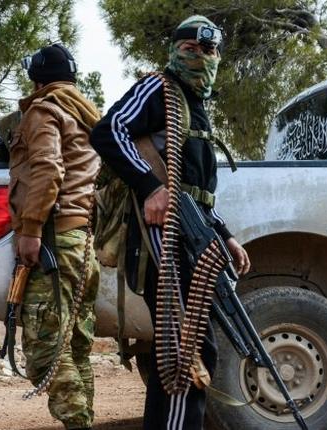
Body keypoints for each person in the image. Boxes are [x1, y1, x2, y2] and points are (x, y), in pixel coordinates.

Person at [90, 15, 251, 430]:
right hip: (161, 237)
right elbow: (109, 131)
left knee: (181, 351)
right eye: (190, 50)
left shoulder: (195, 106)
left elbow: (195, 193)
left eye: (209, 50)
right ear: (175, 51)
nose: (200, 57)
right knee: (188, 352)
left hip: (191, 235)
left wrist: (226, 236)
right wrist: (148, 187)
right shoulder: (157, 88)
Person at [8, 43, 101, 430]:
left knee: (48, 349)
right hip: (81, 243)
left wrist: (30, 230)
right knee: (75, 348)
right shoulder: (86, 114)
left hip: (53, 241)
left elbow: (47, 168)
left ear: (37, 77)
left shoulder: (44, 110)